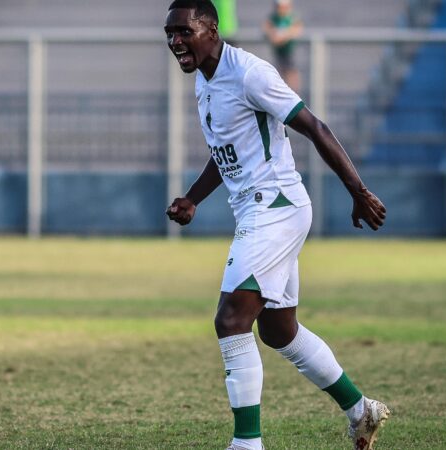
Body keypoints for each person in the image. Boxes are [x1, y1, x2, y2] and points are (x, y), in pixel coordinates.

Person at [164, 2, 389, 449]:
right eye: (169, 33)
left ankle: (247, 444)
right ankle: (361, 409)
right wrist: (193, 197)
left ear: (211, 28)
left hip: (276, 205)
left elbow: (315, 127)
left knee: (231, 319)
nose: (175, 42)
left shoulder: (250, 73)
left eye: (183, 31)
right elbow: (225, 150)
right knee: (278, 330)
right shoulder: (206, 82)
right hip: (256, 209)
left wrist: (358, 191)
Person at [262, 0, 303, 91]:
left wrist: (284, 36)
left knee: (291, 73)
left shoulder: (292, 18)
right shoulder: (274, 18)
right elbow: (267, 29)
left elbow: (297, 30)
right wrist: (274, 35)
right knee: (279, 74)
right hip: (278, 53)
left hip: (290, 52)